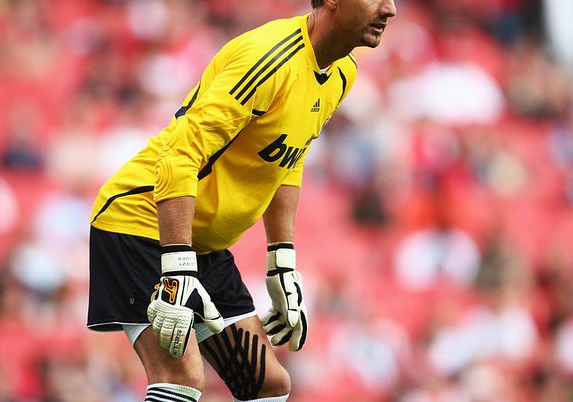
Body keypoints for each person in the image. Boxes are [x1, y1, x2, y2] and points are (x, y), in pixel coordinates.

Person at [86, 0, 397, 401]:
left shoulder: (342, 71)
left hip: (201, 243)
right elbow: (180, 156)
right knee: (180, 378)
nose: (389, 9)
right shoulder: (267, 58)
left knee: (267, 385)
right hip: (142, 223)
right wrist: (177, 268)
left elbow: (288, 157)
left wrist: (281, 260)